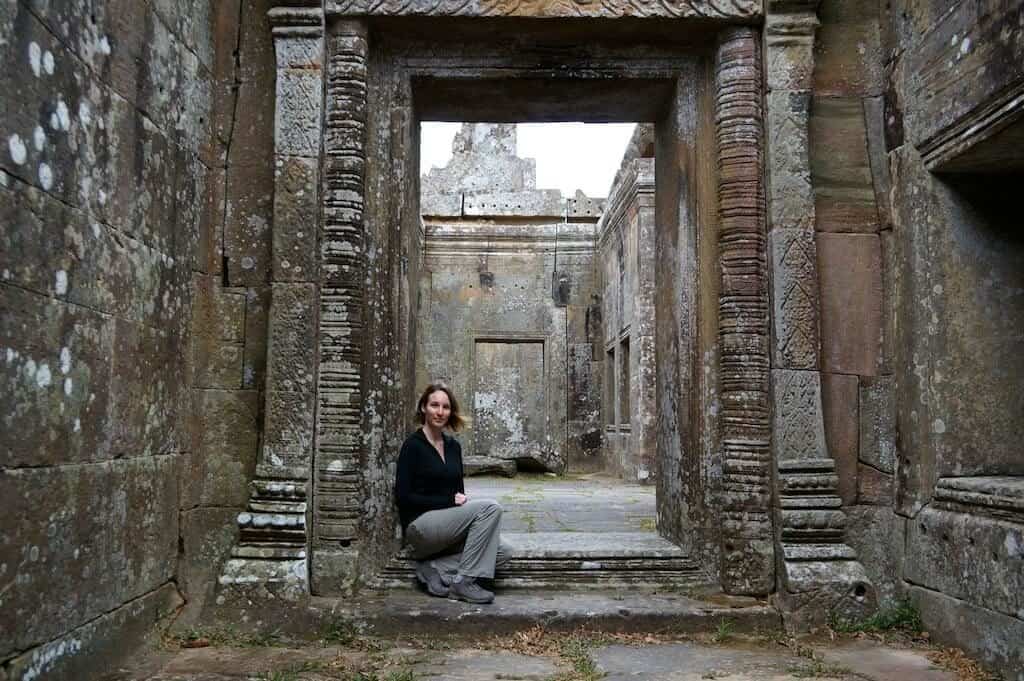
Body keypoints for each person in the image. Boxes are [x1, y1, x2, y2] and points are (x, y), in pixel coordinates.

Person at [395, 383, 511, 604]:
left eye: (446, 407)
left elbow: (459, 494)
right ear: (423, 408)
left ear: (451, 411)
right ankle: (464, 583)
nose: (440, 412)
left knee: (504, 551)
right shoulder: (413, 446)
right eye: (434, 405)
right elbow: (403, 497)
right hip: (421, 527)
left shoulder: (453, 447)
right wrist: (447, 501)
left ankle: (435, 568)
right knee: (490, 508)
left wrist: (458, 504)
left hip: (448, 527)